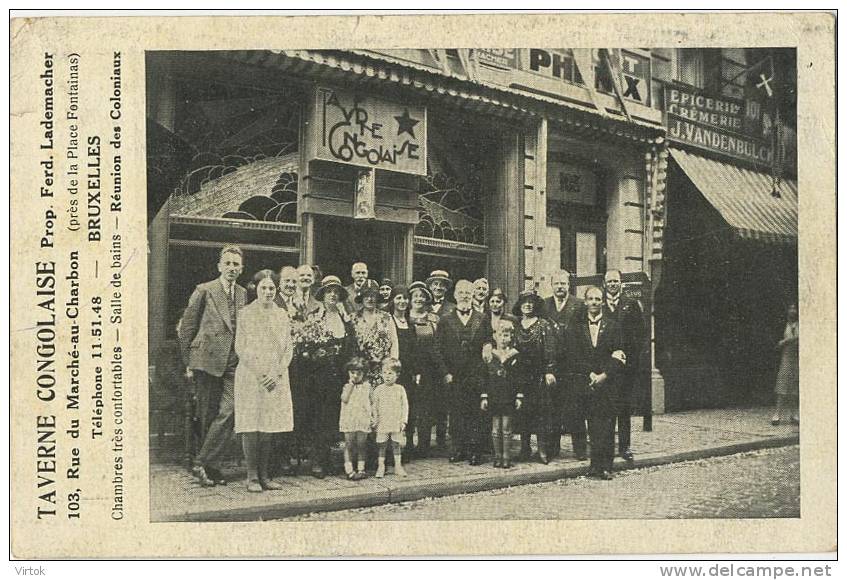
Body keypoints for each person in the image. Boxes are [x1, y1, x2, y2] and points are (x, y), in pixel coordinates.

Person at [178, 245, 246, 487]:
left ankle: (201, 462)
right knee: (207, 416)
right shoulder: (204, 290)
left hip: (233, 363)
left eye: (236, 264)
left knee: (230, 411)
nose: (231, 268)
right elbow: (186, 328)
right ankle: (212, 468)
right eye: (227, 263)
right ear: (219, 266)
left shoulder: (242, 293)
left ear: (241, 268)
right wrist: (188, 363)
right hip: (206, 361)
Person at [234, 270, 294, 492]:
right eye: (263, 288)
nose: (268, 292)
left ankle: (265, 475)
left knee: (268, 426)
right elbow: (240, 347)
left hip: (275, 377)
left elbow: (288, 347)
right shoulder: (246, 314)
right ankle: (251, 476)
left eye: (271, 288)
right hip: (252, 376)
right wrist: (260, 374)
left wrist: (277, 372)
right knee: (251, 424)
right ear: (255, 289)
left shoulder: (281, 315)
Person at [297, 275, 357, 478]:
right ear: (322, 295)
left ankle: (329, 459)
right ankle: (318, 462)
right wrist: (316, 354)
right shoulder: (315, 317)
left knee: (333, 419)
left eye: (336, 292)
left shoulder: (345, 319)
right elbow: (305, 346)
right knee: (318, 418)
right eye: (329, 292)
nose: (332, 295)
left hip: (339, 376)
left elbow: (351, 349)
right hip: (319, 376)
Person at [564, 286, 627, 480]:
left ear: (602, 302)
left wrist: (604, 375)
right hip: (586, 383)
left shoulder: (613, 326)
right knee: (591, 425)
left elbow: (619, 354)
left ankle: (606, 467)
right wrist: (589, 373)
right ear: (585, 302)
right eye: (590, 299)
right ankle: (594, 465)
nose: (594, 302)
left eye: (597, 299)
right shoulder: (577, 328)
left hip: (607, 384)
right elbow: (573, 355)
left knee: (606, 426)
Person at [435, 279, 488, 465]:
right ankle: (458, 449)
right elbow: (437, 349)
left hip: (476, 374)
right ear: (455, 295)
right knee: (456, 414)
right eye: (461, 292)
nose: (465, 296)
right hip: (455, 375)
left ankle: (475, 451)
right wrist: (445, 373)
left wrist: (488, 348)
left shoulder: (482, 319)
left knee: (476, 414)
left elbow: (489, 342)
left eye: (468, 292)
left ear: (472, 295)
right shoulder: (445, 320)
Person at [603, 269, 645, 462]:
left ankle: (625, 446)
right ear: (604, 284)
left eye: (615, 281)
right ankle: (607, 446)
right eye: (609, 281)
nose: (612, 284)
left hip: (626, 366)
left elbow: (640, 335)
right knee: (606, 406)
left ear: (621, 283)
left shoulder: (631, 305)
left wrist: (631, 358)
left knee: (624, 407)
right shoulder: (599, 305)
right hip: (605, 365)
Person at [543, 269, 585, 459]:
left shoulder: (579, 305)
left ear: (569, 285)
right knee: (553, 409)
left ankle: (580, 449)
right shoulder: (544, 305)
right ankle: (552, 449)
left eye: (563, 284)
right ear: (551, 285)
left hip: (573, 366)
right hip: (552, 365)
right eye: (557, 284)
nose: (560, 287)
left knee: (575, 408)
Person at [512, 290, 558, 464]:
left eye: (531, 302)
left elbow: (550, 349)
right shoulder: (516, 325)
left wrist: (549, 371)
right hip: (520, 375)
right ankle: (525, 449)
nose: (528, 305)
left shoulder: (543, 325)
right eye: (525, 301)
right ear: (520, 304)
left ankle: (542, 450)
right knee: (522, 413)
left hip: (538, 375)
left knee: (541, 413)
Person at [406, 281, 445, 457]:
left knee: (426, 408)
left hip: (430, 369)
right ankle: (406, 445)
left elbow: (439, 344)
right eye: (416, 296)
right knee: (409, 406)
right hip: (408, 367)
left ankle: (423, 445)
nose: (419, 299)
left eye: (422, 296)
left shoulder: (434, 319)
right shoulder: (403, 317)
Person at [480, 319, 523, 469]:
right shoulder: (490, 356)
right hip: (494, 396)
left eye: (506, 335)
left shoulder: (515, 356)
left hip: (509, 396)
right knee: (495, 429)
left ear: (511, 337)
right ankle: (497, 456)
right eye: (500, 335)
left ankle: (506, 456)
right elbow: (484, 377)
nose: (503, 338)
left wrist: (519, 396)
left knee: (506, 428)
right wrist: (484, 396)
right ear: (495, 336)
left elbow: (519, 378)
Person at [352, 279, 400, 386]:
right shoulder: (353, 318)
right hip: (360, 371)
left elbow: (394, 342)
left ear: (377, 298)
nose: (370, 299)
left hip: (383, 371)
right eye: (366, 295)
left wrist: (392, 367)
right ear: (362, 298)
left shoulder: (386, 318)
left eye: (373, 295)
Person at [388, 285, 417, 460]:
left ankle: (408, 447)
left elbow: (415, 351)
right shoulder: (388, 320)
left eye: (405, 298)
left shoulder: (410, 323)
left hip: (408, 373)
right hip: (393, 371)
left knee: (407, 408)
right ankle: (391, 449)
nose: (402, 301)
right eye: (398, 298)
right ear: (393, 301)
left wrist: (416, 372)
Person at [371, 358, 409, 478]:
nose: (387, 376)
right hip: (383, 422)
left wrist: (403, 421)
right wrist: (375, 419)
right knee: (382, 445)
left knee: (396, 444)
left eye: (390, 373)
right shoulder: (378, 390)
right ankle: (381, 466)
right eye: (385, 373)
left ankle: (398, 466)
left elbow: (405, 406)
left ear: (397, 375)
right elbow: (374, 406)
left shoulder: (400, 389)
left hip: (395, 421)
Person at [339, 357, 372, 480]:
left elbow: (371, 402)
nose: (355, 375)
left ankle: (361, 469)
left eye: (359, 373)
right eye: (352, 372)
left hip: (362, 419)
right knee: (349, 444)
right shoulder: (347, 386)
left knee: (361, 445)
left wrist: (372, 416)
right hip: (350, 419)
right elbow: (344, 398)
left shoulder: (367, 387)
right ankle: (349, 470)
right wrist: (351, 385)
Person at [772, 303, 799, 426]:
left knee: (795, 385)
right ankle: (777, 414)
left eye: (795, 308)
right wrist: (785, 341)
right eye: (790, 308)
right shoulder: (782, 325)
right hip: (786, 357)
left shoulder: (800, 324)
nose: (793, 311)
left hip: (797, 357)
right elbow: (776, 344)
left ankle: (794, 414)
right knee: (783, 384)